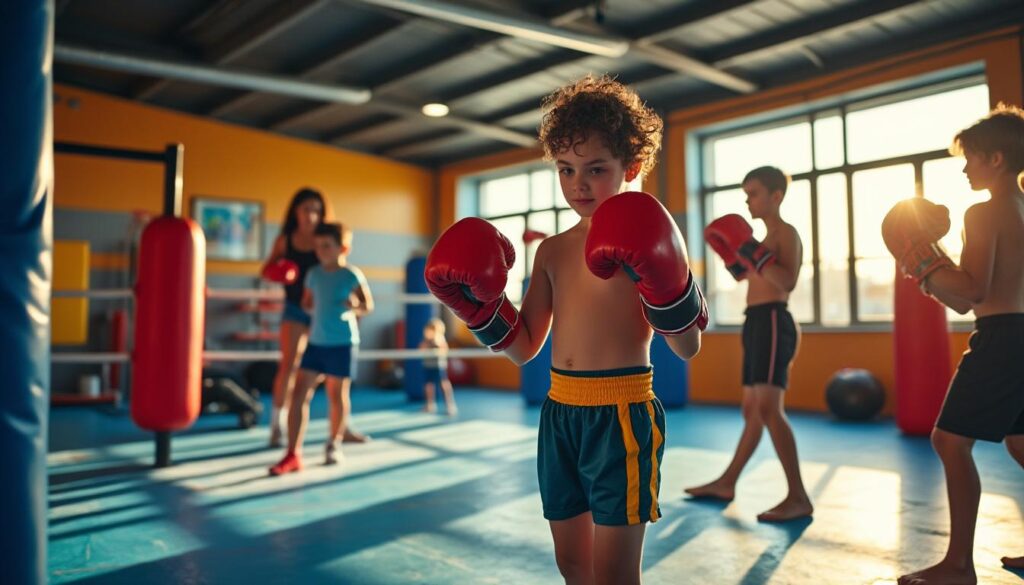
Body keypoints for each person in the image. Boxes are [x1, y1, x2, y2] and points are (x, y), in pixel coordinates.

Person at [425, 74, 706, 585]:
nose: (579, 183)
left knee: (616, 572)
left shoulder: (647, 238)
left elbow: (686, 347)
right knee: (573, 564)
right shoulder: (550, 251)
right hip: (560, 415)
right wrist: (477, 307)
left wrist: (668, 286)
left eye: (596, 169)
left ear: (632, 167)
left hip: (622, 413)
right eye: (567, 169)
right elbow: (526, 347)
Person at [891, 104, 1024, 585]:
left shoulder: (984, 211)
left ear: (996, 159)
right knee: (1021, 442)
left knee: (948, 441)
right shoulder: (1020, 208)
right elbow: (972, 295)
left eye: (970, 158)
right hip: (1021, 333)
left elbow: (971, 293)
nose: (964, 168)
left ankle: (959, 566)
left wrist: (922, 260)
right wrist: (924, 272)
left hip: (1003, 339)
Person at [685, 166, 814, 522]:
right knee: (752, 412)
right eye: (746, 193)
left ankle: (798, 496)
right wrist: (733, 253)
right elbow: (746, 275)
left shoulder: (786, 234)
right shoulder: (761, 239)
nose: (747, 200)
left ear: (776, 196)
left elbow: (785, 281)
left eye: (753, 193)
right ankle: (727, 482)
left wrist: (747, 246)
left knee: (770, 409)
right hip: (755, 322)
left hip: (774, 320)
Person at [261, 188, 368, 448]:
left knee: (336, 379)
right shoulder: (286, 240)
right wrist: (280, 272)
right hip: (297, 310)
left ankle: (342, 428)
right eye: (306, 208)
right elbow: (266, 270)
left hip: (327, 313)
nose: (311, 214)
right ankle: (277, 426)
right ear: (295, 211)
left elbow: (347, 275)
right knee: (289, 366)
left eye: (316, 209)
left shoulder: (328, 238)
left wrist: (353, 307)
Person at [419, 318, 457, 416]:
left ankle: (449, 405)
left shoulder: (440, 339)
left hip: (438, 366)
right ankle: (430, 404)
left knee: (443, 385)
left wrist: (436, 344)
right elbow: (421, 349)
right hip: (428, 366)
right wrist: (427, 344)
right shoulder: (425, 341)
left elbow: (445, 350)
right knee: (428, 386)